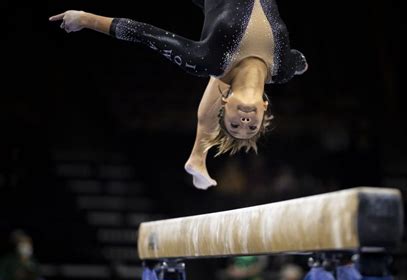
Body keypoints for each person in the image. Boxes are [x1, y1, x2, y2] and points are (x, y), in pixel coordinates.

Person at [49, 0, 308, 189]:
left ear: (225, 103)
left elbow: (145, 34)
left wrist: (84, 19)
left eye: (235, 123)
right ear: (265, 107)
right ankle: (197, 156)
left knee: (216, 74)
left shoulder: (206, 61)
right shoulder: (283, 68)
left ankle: (197, 155)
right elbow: (299, 60)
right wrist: (301, 65)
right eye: (251, 126)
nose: (245, 119)